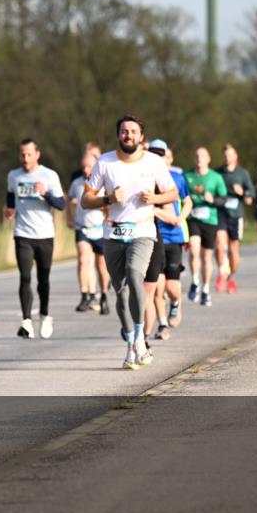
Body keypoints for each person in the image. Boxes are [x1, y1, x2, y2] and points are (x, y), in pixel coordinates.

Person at [81, 116, 178, 370]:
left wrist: (155, 198)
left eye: (133, 132)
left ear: (141, 137)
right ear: (118, 136)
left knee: (135, 276)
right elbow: (85, 200)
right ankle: (132, 342)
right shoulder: (105, 162)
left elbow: (173, 192)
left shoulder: (154, 162)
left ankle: (139, 340)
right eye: (124, 131)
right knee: (121, 292)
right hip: (113, 234)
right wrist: (108, 199)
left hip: (143, 232)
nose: (128, 135)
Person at [5, 139, 66, 338]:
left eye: (29, 154)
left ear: (37, 154)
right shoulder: (13, 175)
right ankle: (26, 322)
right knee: (24, 277)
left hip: (45, 235)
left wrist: (45, 193)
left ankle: (45, 315)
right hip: (22, 234)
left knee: (43, 279)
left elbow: (61, 205)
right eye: (22, 154)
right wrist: (10, 209)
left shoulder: (49, 175)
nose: (25, 158)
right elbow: (10, 195)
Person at [147, 141, 192, 341]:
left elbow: (188, 202)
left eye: (162, 155)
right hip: (153, 236)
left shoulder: (177, 178)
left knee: (171, 288)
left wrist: (180, 219)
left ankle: (175, 302)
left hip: (174, 236)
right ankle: (162, 324)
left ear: (168, 158)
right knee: (157, 285)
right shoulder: (144, 179)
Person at [67, 151, 111, 315]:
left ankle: (104, 296)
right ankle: (85, 296)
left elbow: (112, 203)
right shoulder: (77, 183)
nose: (86, 170)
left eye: (89, 166)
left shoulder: (104, 183)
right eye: (83, 166)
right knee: (83, 260)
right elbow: (69, 199)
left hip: (100, 229)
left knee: (101, 265)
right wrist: (69, 218)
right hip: (82, 227)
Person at [184, 148, 228, 307]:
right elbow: (181, 196)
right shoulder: (187, 176)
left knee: (206, 257)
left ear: (208, 159)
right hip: (193, 218)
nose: (199, 158)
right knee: (194, 250)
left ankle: (205, 289)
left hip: (210, 220)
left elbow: (224, 199)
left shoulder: (216, 177)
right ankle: (195, 281)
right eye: (196, 155)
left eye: (202, 155)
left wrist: (213, 200)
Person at [214, 144, 255, 294]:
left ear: (235, 156)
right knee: (219, 245)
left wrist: (242, 192)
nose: (227, 158)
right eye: (225, 155)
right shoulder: (217, 173)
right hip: (220, 213)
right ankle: (222, 273)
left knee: (233, 250)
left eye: (230, 155)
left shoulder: (242, 174)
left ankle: (231, 276)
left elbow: (250, 199)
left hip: (236, 215)